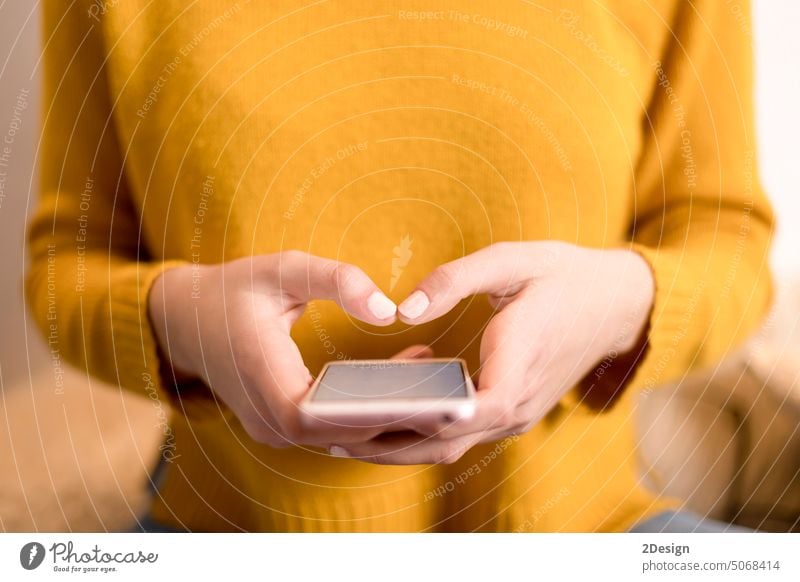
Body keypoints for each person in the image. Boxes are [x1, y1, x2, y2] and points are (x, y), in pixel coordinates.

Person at [27, 0, 772, 532]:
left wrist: (620, 303)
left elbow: (728, 240)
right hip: (237, 529)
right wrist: (179, 322)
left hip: (579, 532)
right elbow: (65, 261)